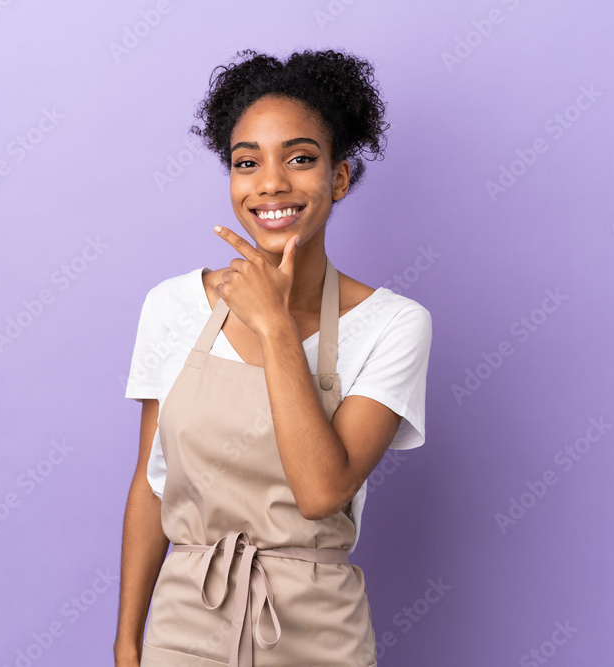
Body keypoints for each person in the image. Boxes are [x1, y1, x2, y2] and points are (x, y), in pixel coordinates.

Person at [115, 48, 433, 667]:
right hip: (185, 629)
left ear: (339, 178)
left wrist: (274, 324)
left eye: (301, 159)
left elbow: (322, 490)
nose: (270, 183)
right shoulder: (172, 306)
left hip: (318, 635)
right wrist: (128, 645)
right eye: (246, 163)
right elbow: (151, 487)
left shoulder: (394, 324)